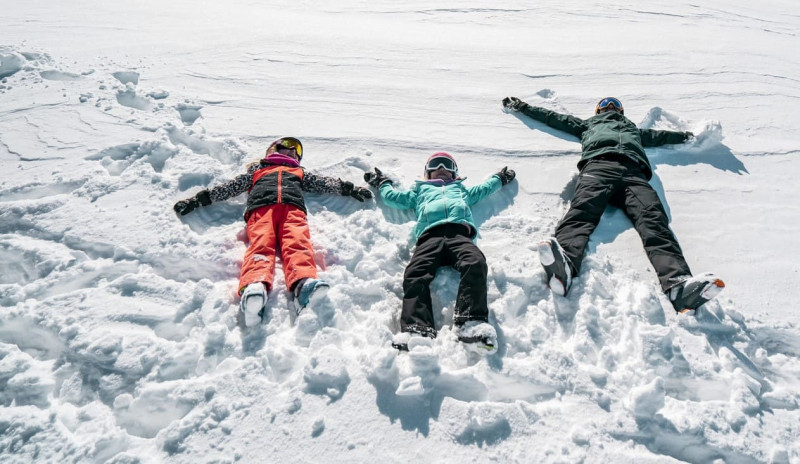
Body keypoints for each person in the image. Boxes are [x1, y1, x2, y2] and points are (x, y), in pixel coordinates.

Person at [502, 96, 724, 314]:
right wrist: (523, 107)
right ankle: (565, 267)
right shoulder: (588, 125)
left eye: (615, 104)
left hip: (634, 175)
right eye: (606, 104)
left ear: (622, 111)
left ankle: (678, 287)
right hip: (598, 168)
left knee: (654, 221)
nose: (610, 106)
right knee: (581, 213)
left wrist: (687, 137)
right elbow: (555, 118)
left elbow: (659, 136)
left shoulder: (633, 130)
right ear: (598, 111)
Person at [174, 136, 373, 326]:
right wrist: (197, 200)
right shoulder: (256, 172)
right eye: (288, 148)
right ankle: (254, 287)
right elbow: (229, 188)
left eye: (296, 153)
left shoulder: (299, 173)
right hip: (261, 210)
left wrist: (349, 189)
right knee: (261, 245)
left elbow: (323, 183)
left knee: (298, 243)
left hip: (293, 210)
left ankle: (303, 285)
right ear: (273, 149)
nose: (292, 153)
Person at [364, 153, 516, 353]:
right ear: (427, 173)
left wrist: (499, 179)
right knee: (415, 272)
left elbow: (482, 190)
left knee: (476, 262)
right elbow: (394, 198)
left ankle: (470, 323)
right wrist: (383, 183)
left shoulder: (459, 189)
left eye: (448, 165)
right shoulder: (420, 191)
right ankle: (417, 329)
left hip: (459, 234)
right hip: (430, 236)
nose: (442, 168)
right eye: (436, 165)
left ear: (454, 173)